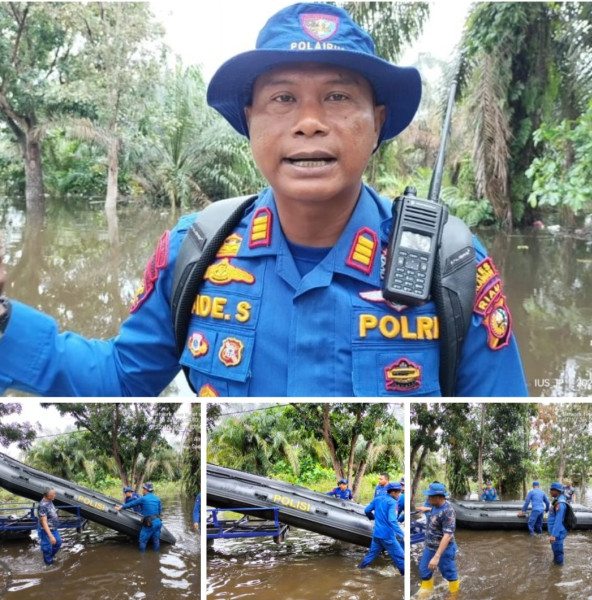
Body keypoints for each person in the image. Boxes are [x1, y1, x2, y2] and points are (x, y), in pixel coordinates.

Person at [0, 2, 529, 398]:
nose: (309, 122)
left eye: (339, 96)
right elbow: (118, 380)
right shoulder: (196, 251)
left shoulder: (452, 265)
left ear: (378, 124)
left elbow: (500, 416)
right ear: (249, 120)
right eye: (282, 99)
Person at [416, 482, 459, 595]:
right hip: (430, 546)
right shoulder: (434, 506)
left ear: (439, 498)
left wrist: (437, 556)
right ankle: (427, 591)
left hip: (444, 549)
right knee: (424, 570)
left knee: (449, 573)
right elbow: (435, 512)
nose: (428, 498)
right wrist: (427, 509)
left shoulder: (448, 512)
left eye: (430, 496)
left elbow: (447, 535)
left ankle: (454, 595)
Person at [358, 481, 404, 575]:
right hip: (387, 536)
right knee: (401, 557)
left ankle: (359, 569)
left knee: (371, 554)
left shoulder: (377, 499)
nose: (399, 494)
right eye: (399, 492)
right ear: (393, 492)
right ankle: (404, 577)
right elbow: (392, 520)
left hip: (377, 534)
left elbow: (367, 510)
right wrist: (402, 534)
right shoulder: (392, 503)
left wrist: (373, 517)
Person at [115, 482, 163, 551]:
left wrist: (121, 507)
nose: (142, 490)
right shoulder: (157, 499)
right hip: (158, 523)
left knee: (142, 541)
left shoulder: (143, 499)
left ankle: (142, 559)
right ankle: (156, 557)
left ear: (146, 489)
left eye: (143, 489)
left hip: (149, 523)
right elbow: (160, 511)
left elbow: (132, 504)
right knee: (156, 541)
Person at [37, 486, 62, 565]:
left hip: (54, 528)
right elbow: (44, 522)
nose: (55, 495)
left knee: (58, 542)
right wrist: (50, 536)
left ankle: (50, 556)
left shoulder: (50, 501)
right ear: (48, 496)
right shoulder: (42, 505)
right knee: (47, 548)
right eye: (53, 494)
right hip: (46, 530)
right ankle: (48, 564)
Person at [548, 481, 568, 565]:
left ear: (558, 491)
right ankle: (556, 563)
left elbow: (558, 520)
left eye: (552, 490)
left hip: (558, 533)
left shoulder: (560, 503)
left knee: (558, 552)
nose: (550, 491)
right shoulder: (557, 500)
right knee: (555, 551)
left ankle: (558, 571)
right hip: (556, 532)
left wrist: (554, 535)